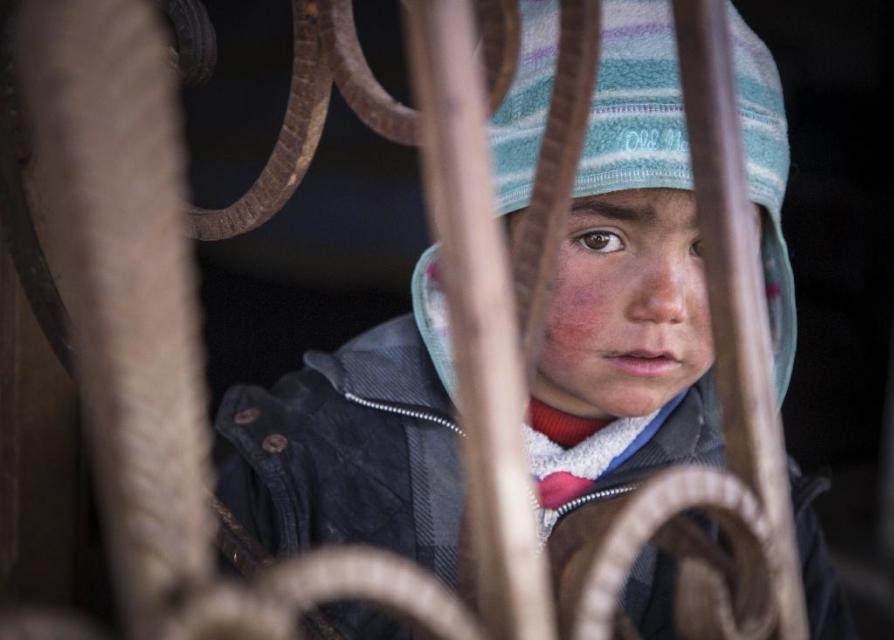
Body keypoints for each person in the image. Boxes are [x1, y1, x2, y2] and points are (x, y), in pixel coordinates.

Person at [215, 1, 856, 637]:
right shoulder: (312, 453)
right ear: (486, 244)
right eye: (601, 239)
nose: (667, 302)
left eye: (713, 248)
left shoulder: (750, 502)